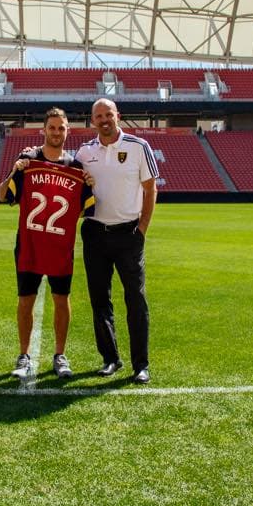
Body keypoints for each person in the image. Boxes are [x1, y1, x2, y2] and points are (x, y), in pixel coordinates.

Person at [0, 107, 94, 379]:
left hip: (60, 248)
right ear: (44, 130)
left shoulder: (76, 168)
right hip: (29, 245)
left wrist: (91, 182)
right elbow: (3, 196)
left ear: (67, 131)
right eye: (52, 127)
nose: (56, 132)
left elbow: (89, 207)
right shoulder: (28, 160)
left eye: (61, 128)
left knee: (61, 300)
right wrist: (13, 170)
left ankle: (60, 355)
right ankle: (24, 355)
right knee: (25, 300)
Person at [75, 98, 159, 384]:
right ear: (92, 121)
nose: (103, 119)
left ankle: (141, 364)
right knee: (100, 300)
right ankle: (110, 358)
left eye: (107, 114)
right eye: (98, 116)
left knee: (136, 299)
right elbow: (71, 184)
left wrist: (143, 228)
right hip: (95, 233)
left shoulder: (138, 146)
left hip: (129, 234)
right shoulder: (84, 152)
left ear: (117, 116)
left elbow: (150, 189)